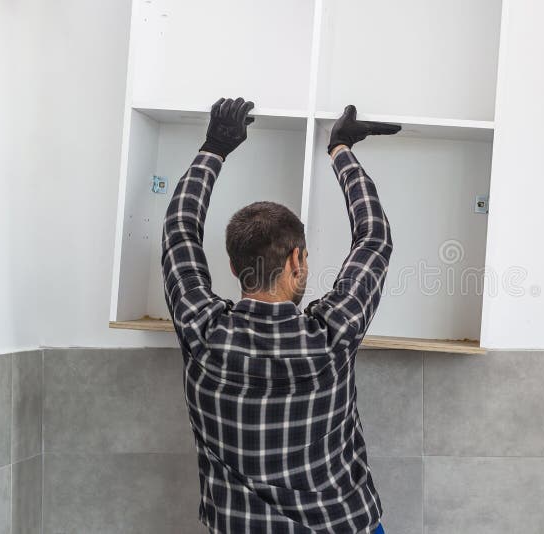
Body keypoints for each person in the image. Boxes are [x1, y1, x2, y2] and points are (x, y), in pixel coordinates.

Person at [161, 97, 400, 534]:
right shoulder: (332, 335)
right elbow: (374, 239)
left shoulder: (202, 331)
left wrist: (215, 147)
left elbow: (179, 231)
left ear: (233, 267)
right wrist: (340, 149)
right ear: (297, 260)